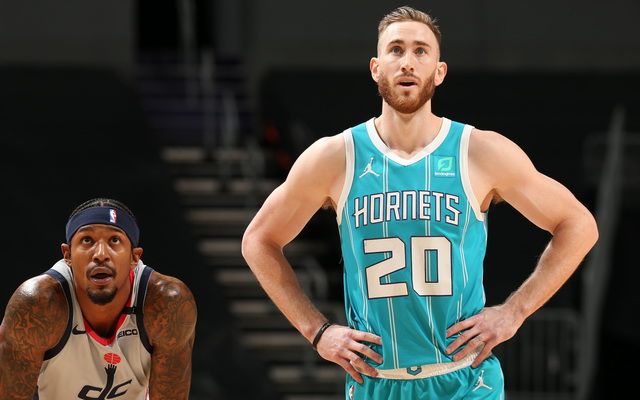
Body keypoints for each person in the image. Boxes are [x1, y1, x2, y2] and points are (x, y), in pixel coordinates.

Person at [242, 5, 599, 399]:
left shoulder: (479, 152)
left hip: (465, 380)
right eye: (395, 50)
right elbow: (258, 240)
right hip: (377, 381)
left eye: (420, 51)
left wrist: (515, 311)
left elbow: (579, 225)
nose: (407, 62)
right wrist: (317, 331)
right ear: (376, 68)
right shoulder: (335, 157)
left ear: (439, 71)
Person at [0, 198, 197, 400]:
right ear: (67, 255)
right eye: (87, 240)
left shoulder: (166, 304)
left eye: (114, 240)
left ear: (134, 257)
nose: (101, 254)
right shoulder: (37, 305)